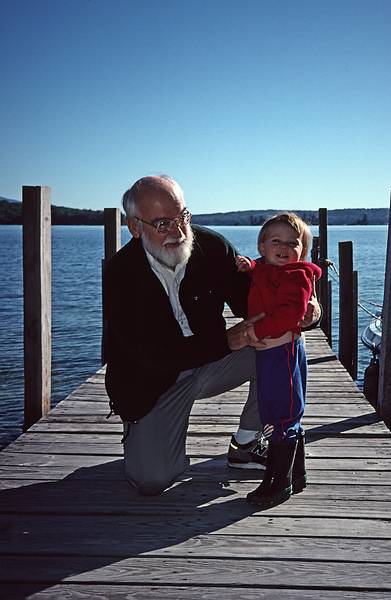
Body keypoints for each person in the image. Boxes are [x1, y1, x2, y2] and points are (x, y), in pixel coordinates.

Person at [103, 175, 320, 496]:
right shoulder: (120, 273)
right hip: (153, 382)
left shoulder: (212, 247)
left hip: (212, 363)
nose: (178, 232)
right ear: (135, 227)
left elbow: (254, 300)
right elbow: (146, 355)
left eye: (183, 217)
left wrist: (308, 308)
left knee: (283, 338)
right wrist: (228, 341)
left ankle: (248, 442)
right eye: (163, 224)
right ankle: (143, 432)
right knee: (152, 479)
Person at [235, 213, 321, 507]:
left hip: (280, 352)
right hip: (270, 352)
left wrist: (255, 331)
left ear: (303, 252)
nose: (284, 248)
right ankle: (296, 474)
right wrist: (249, 265)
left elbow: (289, 314)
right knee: (278, 409)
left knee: (280, 413)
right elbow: (262, 274)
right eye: (276, 241)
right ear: (262, 246)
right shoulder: (269, 268)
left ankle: (277, 482)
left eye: (293, 244)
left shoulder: (297, 276)